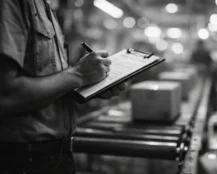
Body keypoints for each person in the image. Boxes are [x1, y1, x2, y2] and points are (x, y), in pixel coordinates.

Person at [0, 0, 125, 173]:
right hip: (24, 160)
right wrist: (79, 74)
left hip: (56, 156)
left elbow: (48, 83)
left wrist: (89, 86)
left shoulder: (45, 8)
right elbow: (6, 95)